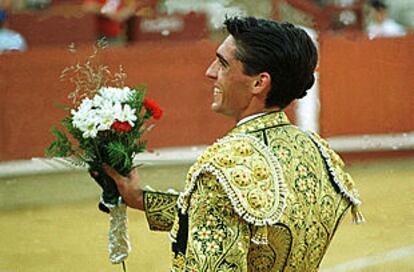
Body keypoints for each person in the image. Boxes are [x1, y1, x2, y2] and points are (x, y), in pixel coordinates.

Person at [97, 16, 364, 271]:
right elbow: (249, 218)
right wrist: (141, 199)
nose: (210, 72)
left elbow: (225, 217)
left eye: (223, 64)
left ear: (259, 83)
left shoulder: (221, 168)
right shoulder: (317, 151)